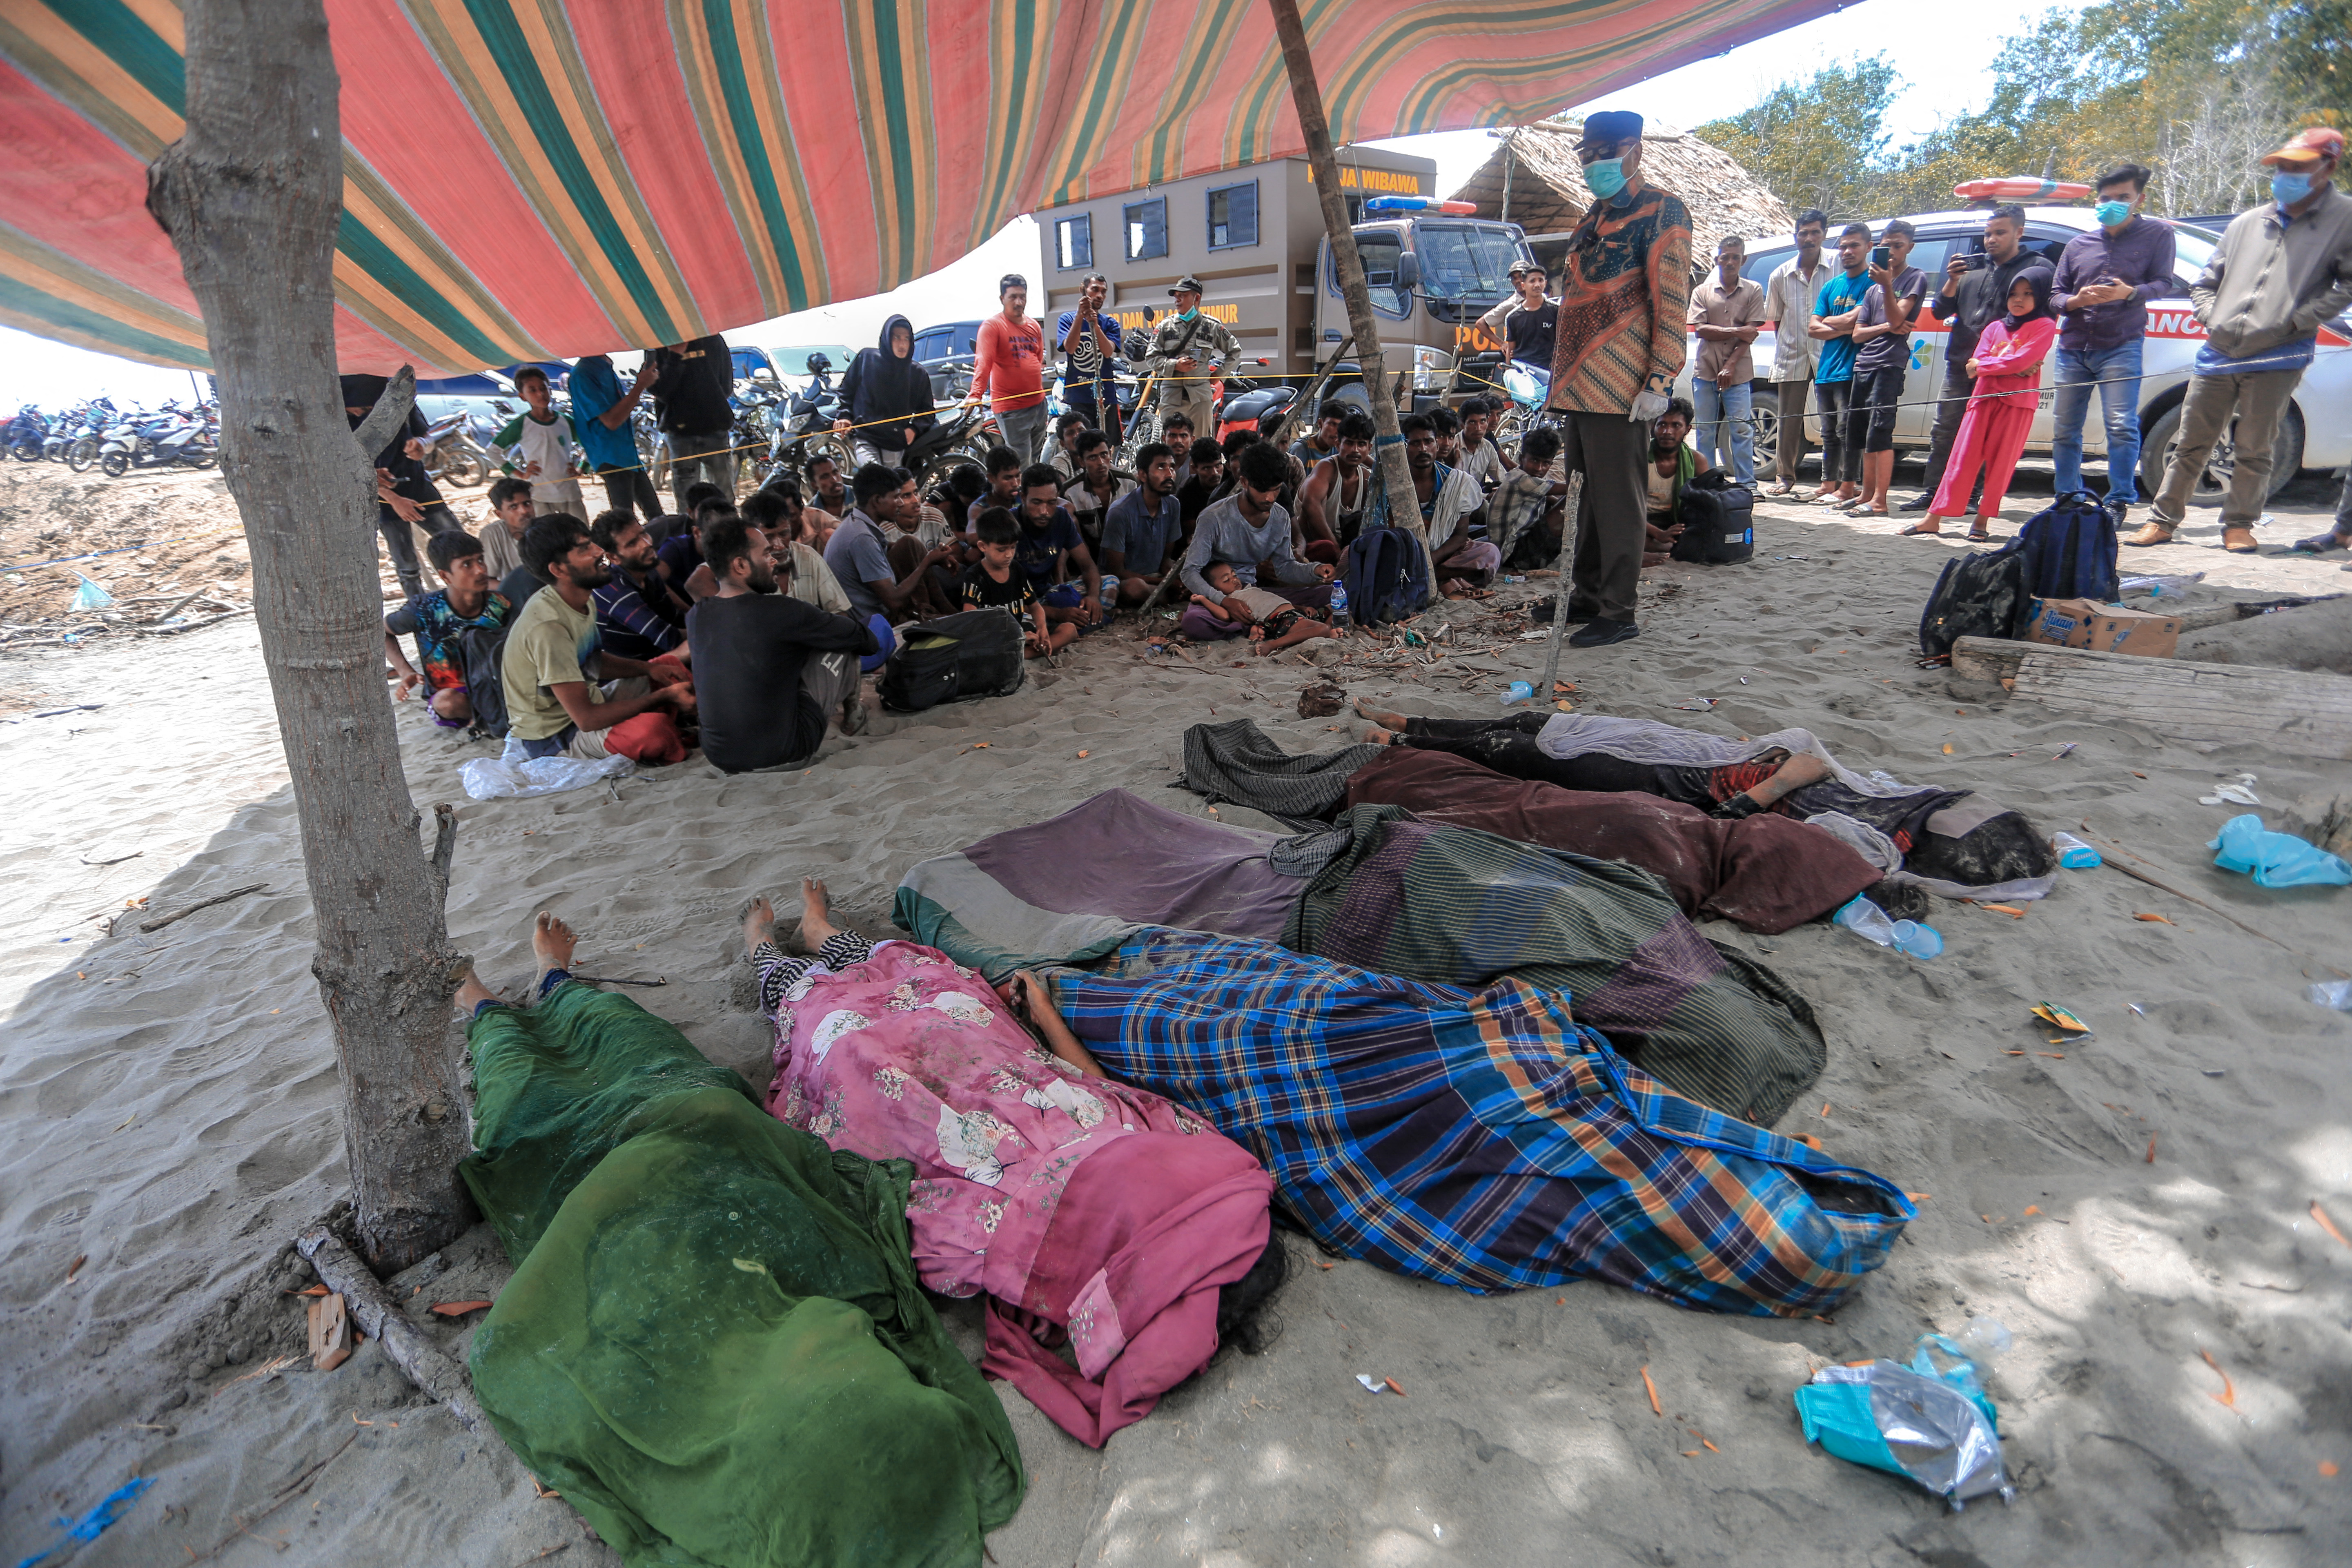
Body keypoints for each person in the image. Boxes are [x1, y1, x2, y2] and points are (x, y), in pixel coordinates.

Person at [744, 879, 1283, 1448]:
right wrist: (1045, 1016)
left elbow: (893, 1198)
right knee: (932, 983)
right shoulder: (1177, 1154)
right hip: (993, 1055)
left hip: (921, 1091)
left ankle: (766, 952)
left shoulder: (999, 1240)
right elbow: (1102, 1088)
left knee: (839, 1034)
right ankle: (822, 932)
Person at [2132, 128, 2352, 552]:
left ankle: (2238, 525)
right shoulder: (2248, 222)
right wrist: (2212, 317)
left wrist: (2297, 321)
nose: (2285, 174)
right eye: (2281, 166)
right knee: (2191, 441)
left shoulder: (2344, 219)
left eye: (2297, 167)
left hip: (2279, 355)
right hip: (2219, 352)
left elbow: (2348, 284)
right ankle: (2162, 521)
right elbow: (2204, 282)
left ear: (2328, 167)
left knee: (2255, 446)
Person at [1544, 109, 1691, 648]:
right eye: (1587, 155)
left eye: (1605, 153)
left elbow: (1671, 302)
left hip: (1621, 387)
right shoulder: (1592, 216)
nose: (1594, 164)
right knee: (1583, 501)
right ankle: (1586, 595)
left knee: (1618, 504)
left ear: (1635, 151)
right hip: (1577, 386)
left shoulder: (1663, 211)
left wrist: (1660, 380)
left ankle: (1618, 609)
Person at [686, 513, 875, 771]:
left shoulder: (696, 616)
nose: (774, 560)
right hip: (785, 752)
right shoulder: (784, 610)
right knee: (843, 644)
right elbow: (867, 641)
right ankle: (854, 715)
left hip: (719, 757)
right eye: (766, 554)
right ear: (740, 565)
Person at [499, 514, 695, 760]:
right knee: (653, 732)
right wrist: (662, 697)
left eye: (591, 543)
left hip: (591, 703)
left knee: (669, 669)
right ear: (558, 570)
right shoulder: (549, 629)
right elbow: (587, 720)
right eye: (584, 549)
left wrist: (650, 670)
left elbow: (593, 660)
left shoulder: (580, 597)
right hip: (558, 735)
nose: (599, 551)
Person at [2051, 164, 2176, 526]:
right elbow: (2056, 296)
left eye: (2123, 197)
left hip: (2122, 344)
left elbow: (2164, 283)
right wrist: (2077, 301)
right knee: (2065, 430)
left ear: (2140, 198)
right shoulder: (2078, 245)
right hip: (2074, 346)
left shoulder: (2158, 234)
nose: (2113, 204)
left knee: (2121, 426)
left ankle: (2118, 501)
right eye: (2106, 198)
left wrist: (2130, 293)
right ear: (2096, 201)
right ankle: (2067, 497)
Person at [1905, 204, 2042, 513]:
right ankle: (1934, 493)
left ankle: (1970, 497)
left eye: (2000, 233)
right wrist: (1952, 280)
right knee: (1944, 430)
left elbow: (2043, 316)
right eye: (1988, 234)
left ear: (2019, 232)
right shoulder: (1973, 267)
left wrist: (2029, 356)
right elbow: (1940, 311)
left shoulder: (2035, 268)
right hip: (1960, 363)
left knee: (1984, 436)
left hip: (2000, 371)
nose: (1991, 240)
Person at [1909, 269, 2058, 541]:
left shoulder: (2044, 326)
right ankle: (1933, 518)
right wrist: (2003, 366)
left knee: (2001, 464)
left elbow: (2015, 361)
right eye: (2014, 294)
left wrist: (1987, 366)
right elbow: (1975, 364)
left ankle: (1981, 521)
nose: (2019, 299)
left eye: (2028, 294)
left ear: (2041, 297)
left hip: (2017, 405)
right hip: (1983, 399)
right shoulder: (1995, 327)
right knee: (1962, 458)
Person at [1178, 441, 1332, 639]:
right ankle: (1266, 625)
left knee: (1331, 593)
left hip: (1255, 592)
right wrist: (1224, 602)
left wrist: (1315, 571)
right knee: (1194, 622)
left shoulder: (1281, 517)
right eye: (1262, 490)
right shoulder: (1214, 517)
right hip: (1220, 596)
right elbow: (1190, 572)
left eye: (1276, 489)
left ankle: (1261, 623)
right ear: (1244, 482)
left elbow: (1285, 568)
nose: (1270, 498)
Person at [824, 463, 964, 663]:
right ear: (877, 501)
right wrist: (926, 562)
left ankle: (941, 613)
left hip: (879, 611)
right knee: (957, 635)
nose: (900, 503)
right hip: (873, 624)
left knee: (909, 544)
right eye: (896, 497)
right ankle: (935, 616)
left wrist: (932, 557)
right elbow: (894, 601)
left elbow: (887, 549)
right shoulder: (861, 538)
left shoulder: (857, 524)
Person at [343, 373, 463, 601]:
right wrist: (391, 497)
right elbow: (345, 468)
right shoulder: (335, 421)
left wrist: (421, 446)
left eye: (373, 406)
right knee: (407, 566)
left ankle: (472, 598)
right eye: (363, 408)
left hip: (417, 485)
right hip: (381, 500)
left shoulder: (397, 403)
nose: (368, 412)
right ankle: (419, 610)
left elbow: (426, 437)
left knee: (460, 545)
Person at [383, 531, 514, 730]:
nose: (480, 570)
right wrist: (405, 671)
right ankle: (482, 719)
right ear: (445, 576)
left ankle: (490, 718)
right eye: (467, 565)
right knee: (446, 703)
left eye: (481, 560)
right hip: (457, 695)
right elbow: (382, 632)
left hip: (496, 686)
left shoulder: (501, 605)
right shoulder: (424, 609)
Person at [1843, 220, 1929, 517]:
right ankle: (1866, 494)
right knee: (1862, 433)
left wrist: (1889, 286)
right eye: (1886, 246)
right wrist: (1885, 327)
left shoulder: (1915, 278)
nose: (1891, 251)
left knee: (1881, 432)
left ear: (1910, 248)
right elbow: (1858, 334)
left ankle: (1880, 500)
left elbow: (1897, 319)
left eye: (1898, 246)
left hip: (1889, 363)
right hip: (1864, 363)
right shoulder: (1872, 290)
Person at [1760, 210, 1833, 497]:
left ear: (1825, 234)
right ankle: (1785, 477)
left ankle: (1836, 478)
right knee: (1788, 419)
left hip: (1830, 353)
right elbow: (1777, 320)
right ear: (1796, 237)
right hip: (1792, 353)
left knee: (1833, 417)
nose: (1809, 238)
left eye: (1815, 232)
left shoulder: (1838, 266)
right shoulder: (1780, 274)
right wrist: (1789, 345)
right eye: (1804, 233)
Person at [1804, 223, 1873, 507]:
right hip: (1826, 371)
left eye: (1854, 245)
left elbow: (1855, 321)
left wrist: (1832, 323)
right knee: (1828, 433)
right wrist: (1844, 326)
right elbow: (1812, 328)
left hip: (1852, 369)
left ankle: (1848, 486)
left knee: (1848, 432)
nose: (1847, 252)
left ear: (1868, 247)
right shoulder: (1831, 286)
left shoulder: (1873, 284)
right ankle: (1827, 485)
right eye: (1843, 247)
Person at [1687, 234, 1764, 486]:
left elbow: (1750, 335)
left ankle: (1747, 485)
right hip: (1705, 370)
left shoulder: (1753, 290)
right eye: (1725, 257)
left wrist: (1730, 365)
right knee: (1705, 430)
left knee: (1741, 429)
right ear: (1717, 260)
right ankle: (1707, 484)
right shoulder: (1702, 292)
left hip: (1739, 372)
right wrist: (1737, 330)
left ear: (1744, 260)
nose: (1730, 262)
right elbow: (1701, 330)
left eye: (1735, 258)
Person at [1132, 276, 1236, 452]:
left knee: (1202, 449)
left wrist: (1218, 375)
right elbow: (1151, 357)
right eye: (1176, 296)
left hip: (1200, 398)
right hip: (1172, 397)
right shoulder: (1165, 327)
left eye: (1183, 295)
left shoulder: (1211, 327)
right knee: (1170, 450)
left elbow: (1235, 351)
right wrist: (1174, 365)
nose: (1177, 300)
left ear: (1197, 298)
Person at [1400, 413, 1495, 596]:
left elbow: (1460, 535)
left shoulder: (1455, 482)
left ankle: (1429, 575)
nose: (1423, 449)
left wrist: (1433, 558)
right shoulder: (1393, 482)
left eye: (1428, 442)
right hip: (1402, 554)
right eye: (1415, 443)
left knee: (1490, 552)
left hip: (1439, 556)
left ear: (1436, 445)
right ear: (1404, 446)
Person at [962, 506, 1075, 658]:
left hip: (1019, 631)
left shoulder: (1016, 569)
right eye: (1002, 550)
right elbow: (970, 621)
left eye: (1013, 547)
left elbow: (1035, 607)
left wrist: (1042, 629)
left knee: (1069, 630)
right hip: (993, 638)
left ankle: (1023, 654)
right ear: (983, 546)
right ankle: (1023, 655)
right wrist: (1015, 637)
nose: (1009, 555)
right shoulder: (975, 576)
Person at [831, 313, 937, 469]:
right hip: (865, 436)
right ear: (887, 338)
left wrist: (914, 429)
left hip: (894, 441)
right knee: (873, 475)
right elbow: (847, 391)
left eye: (907, 339)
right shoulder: (867, 359)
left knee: (891, 481)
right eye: (897, 338)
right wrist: (845, 417)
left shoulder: (917, 373)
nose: (902, 344)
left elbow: (927, 411)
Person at [568, 353, 662, 521]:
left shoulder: (603, 366)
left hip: (627, 454)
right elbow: (611, 421)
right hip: (611, 456)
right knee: (626, 521)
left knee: (656, 515)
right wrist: (640, 386)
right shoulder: (583, 375)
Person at [587, 510, 690, 664]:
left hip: (653, 656)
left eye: (644, 534)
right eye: (632, 543)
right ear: (613, 557)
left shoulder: (648, 572)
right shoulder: (617, 592)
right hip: (631, 672)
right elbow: (671, 640)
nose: (647, 544)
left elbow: (674, 619)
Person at [647, 334, 736, 510]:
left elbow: (726, 386)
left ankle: (727, 525)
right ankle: (690, 526)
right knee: (687, 498)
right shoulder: (660, 344)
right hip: (681, 432)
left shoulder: (713, 339)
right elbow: (659, 390)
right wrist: (675, 356)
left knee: (723, 493)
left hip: (713, 427)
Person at [1013, 464, 1107, 628]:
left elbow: (1089, 567)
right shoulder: (1009, 523)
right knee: (1013, 616)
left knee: (1110, 583)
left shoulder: (1061, 517)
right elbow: (1002, 596)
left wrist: (1093, 597)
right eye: (1037, 502)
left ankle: (1080, 616)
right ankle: (1074, 620)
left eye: (1051, 503)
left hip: (1047, 593)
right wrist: (1057, 614)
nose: (1044, 511)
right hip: (1019, 602)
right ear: (1023, 497)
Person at [970, 274, 1049, 465]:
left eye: (1022, 297)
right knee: (1021, 463)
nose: (1019, 302)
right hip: (1012, 409)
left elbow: (1038, 358)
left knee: (1035, 460)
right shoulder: (993, 326)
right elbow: (984, 361)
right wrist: (975, 394)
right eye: (1013, 297)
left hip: (1038, 404)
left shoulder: (1034, 326)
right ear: (1002, 299)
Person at [1187, 560, 1341, 655]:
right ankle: (1272, 645)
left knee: (1338, 606)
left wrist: (1302, 607)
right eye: (1226, 580)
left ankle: (1328, 632)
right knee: (1322, 629)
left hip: (1295, 613)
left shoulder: (1250, 589)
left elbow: (1277, 601)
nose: (1234, 580)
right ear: (1214, 589)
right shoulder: (1230, 601)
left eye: (1234, 575)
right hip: (1279, 621)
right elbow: (1225, 616)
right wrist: (1203, 599)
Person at [1099, 442, 1185, 605]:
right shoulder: (1120, 512)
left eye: (1172, 468)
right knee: (1134, 589)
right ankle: (1170, 597)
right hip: (1124, 581)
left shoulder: (1173, 504)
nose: (1170, 474)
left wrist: (1176, 579)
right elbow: (1117, 571)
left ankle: (1172, 594)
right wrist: (1164, 583)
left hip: (1156, 577)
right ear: (1143, 476)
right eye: (1161, 467)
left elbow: (1166, 559)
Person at [1056, 272, 1125, 445]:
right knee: (1082, 445)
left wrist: (1095, 324)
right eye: (1095, 290)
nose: (1100, 295)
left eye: (1104, 292)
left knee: (1106, 445)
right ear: (1083, 290)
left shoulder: (1110, 323)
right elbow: (1070, 348)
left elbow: (1108, 352)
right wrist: (1080, 317)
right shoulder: (1067, 319)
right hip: (1078, 397)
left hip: (1105, 397)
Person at [1641, 397, 1711, 565]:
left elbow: (1706, 503)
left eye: (1676, 425)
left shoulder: (1697, 460)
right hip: (1640, 520)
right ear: (1653, 426)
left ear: (1687, 429)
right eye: (1662, 425)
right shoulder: (1640, 457)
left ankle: (1652, 547)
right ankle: (1643, 552)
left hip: (1675, 521)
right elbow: (1626, 508)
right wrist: (1658, 533)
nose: (1668, 431)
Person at [1298, 412, 1375, 558]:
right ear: (1338, 445)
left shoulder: (1366, 477)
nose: (1355, 450)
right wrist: (1337, 550)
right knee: (1327, 548)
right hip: (1310, 546)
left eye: (1361, 444)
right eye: (1349, 443)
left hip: (1344, 547)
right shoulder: (1326, 468)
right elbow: (1310, 505)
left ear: (1369, 448)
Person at [1492, 425, 1568, 568]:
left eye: (1546, 463)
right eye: (1534, 461)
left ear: (1551, 464)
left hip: (1514, 548)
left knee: (1561, 505)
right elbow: (1573, 488)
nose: (1539, 468)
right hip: (1512, 554)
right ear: (1522, 459)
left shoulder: (1524, 477)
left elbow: (1551, 499)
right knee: (1570, 502)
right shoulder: (1522, 480)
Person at [1476, 259, 1558, 381]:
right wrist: (1502, 344)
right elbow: (1481, 324)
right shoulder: (1511, 309)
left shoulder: (1552, 307)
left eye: (1521, 276)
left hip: (1549, 367)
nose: (1518, 281)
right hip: (1523, 368)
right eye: (1514, 278)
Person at [1062, 429, 1136, 559]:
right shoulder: (1070, 492)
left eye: (1104, 455)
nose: (1101, 462)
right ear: (1082, 462)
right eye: (1093, 458)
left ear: (1111, 455)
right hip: (1088, 556)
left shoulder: (1129, 484)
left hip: (1127, 554)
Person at [477, 474, 535, 587]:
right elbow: (488, 580)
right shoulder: (492, 534)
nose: (524, 511)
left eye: (527, 504)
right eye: (514, 507)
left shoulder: (547, 528)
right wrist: (518, 593)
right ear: (500, 514)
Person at [1454, 397, 1507, 491]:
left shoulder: (1488, 448)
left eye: (1482, 421)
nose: (1478, 428)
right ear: (1462, 425)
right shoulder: (1453, 447)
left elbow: (1502, 478)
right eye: (1472, 422)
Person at [966, 444, 1025, 527]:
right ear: (991, 478)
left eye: (1018, 476)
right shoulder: (979, 510)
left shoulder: (1025, 499)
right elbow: (972, 533)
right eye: (1008, 478)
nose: (1015, 484)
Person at [1175, 437, 1226, 530]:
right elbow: (1190, 526)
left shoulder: (1231, 480)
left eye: (1218, 466)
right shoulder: (1186, 492)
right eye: (1207, 468)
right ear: (1194, 469)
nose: (1215, 473)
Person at [1287, 401, 1345, 475]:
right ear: (1320, 423)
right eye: (1333, 424)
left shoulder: (1339, 448)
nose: (1338, 431)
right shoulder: (1301, 450)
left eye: (1341, 426)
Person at [802, 452, 851, 540]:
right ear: (814, 485)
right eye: (825, 477)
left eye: (835, 472)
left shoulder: (862, 497)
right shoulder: (811, 515)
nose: (834, 479)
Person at [1045, 410, 1093, 480]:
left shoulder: (1099, 455)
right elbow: (1058, 485)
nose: (1077, 436)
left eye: (1081, 431)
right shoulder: (1060, 461)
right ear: (1063, 443)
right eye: (1071, 433)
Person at [1159, 411, 1196, 486]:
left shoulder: (1196, 464)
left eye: (1183, 436)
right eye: (1173, 435)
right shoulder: (1156, 461)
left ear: (1192, 440)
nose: (1178, 440)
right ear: (1164, 439)